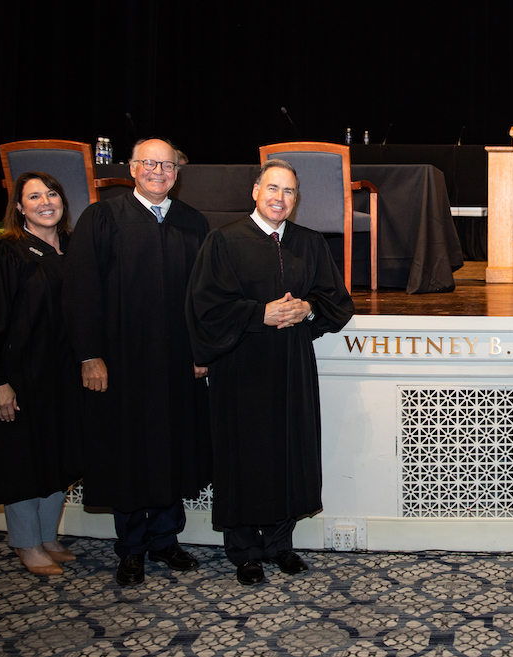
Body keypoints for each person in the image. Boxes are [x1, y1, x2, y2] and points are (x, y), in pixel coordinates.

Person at [186, 159, 354, 585]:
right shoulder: (224, 241)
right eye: (273, 188)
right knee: (242, 457)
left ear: (297, 199)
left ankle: (280, 544)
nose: (280, 198)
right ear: (256, 192)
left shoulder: (309, 243)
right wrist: (258, 313)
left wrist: (308, 307)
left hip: (291, 366)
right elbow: (205, 307)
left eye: (289, 191)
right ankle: (245, 551)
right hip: (240, 366)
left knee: (288, 453)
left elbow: (337, 301)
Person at [63, 137, 212, 586]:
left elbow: (204, 296)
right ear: (131, 168)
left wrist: (201, 351)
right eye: (149, 163)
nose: (158, 172)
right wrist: (90, 355)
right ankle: (131, 548)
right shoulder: (102, 218)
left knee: (171, 448)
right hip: (121, 362)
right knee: (127, 452)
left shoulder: (193, 222)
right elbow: (81, 291)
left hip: (176, 362)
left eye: (167, 166)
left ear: (177, 173)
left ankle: (165, 539)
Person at [0, 172, 82, 576]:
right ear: (19, 207)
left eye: (52, 194)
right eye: (34, 197)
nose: (45, 202)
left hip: (63, 377)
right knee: (21, 461)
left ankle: (47, 536)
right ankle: (26, 542)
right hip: (18, 379)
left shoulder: (73, 249)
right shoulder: (3, 252)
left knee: (58, 458)